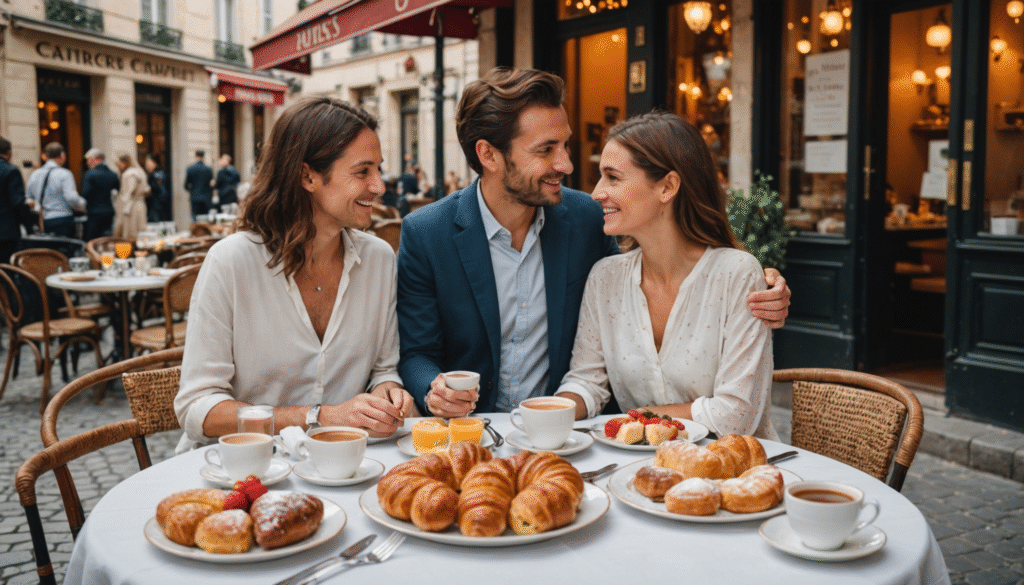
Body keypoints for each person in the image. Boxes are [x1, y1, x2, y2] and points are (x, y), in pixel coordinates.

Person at [396, 67, 791, 418]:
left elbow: (672, 268)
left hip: (571, 439)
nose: (566, 165)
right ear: (489, 154)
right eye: (546, 149)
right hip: (471, 434)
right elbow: (416, 353)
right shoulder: (425, 232)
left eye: (564, 145)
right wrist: (435, 390)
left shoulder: (586, 219)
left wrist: (757, 281)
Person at [174, 96, 415, 452]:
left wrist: (388, 393)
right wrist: (320, 417)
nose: (379, 186)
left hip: (342, 467)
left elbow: (384, 369)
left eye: (378, 169)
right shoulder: (232, 262)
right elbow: (198, 411)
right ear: (308, 176)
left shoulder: (378, 259)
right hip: (243, 472)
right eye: (363, 172)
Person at [555, 112, 778, 440]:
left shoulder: (737, 275)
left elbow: (735, 417)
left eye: (613, 177)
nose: (597, 192)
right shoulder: (606, 278)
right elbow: (587, 381)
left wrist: (632, 420)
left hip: (733, 475)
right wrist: (547, 413)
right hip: (642, 472)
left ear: (667, 187)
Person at [25, 142, 86, 238]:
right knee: (64, 251)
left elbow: (28, 197)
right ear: (62, 155)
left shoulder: (35, 174)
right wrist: (83, 205)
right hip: (62, 220)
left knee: (49, 252)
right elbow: (71, 198)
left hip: (43, 221)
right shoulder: (65, 174)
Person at [0, 136, 34, 262]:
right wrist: (30, 228)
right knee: (7, 272)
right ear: (9, 153)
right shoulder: (11, 170)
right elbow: (18, 202)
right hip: (6, 233)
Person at [81, 149, 119, 241]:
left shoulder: (89, 174)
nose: (87, 163)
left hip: (94, 213)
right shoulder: (113, 174)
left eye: (89, 160)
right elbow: (118, 191)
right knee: (106, 239)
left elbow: (84, 193)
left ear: (98, 159)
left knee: (92, 241)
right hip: (109, 211)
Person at [113, 153, 149, 240]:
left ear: (125, 163)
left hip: (131, 208)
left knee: (131, 233)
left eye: (119, 164)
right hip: (138, 206)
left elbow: (129, 191)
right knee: (138, 233)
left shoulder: (130, 174)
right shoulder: (139, 171)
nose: (119, 167)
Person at [184, 150, 213, 220]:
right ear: (203, 157)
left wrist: (192, 190)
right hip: (206, 198)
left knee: (195, 218)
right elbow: (211, 184)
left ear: (196, 157)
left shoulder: (190, 169)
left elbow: (185, 185)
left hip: (195, 197)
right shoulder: (208, 169)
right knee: (205, 219)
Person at [144, 153, 168, 224]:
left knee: (157, 224)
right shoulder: (158, 173)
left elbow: (157, 187)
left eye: (148, 162)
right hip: (156, 204)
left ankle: (163, 234)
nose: (146, 165)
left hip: (156, 204)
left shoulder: (157, 174)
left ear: (154, 163)